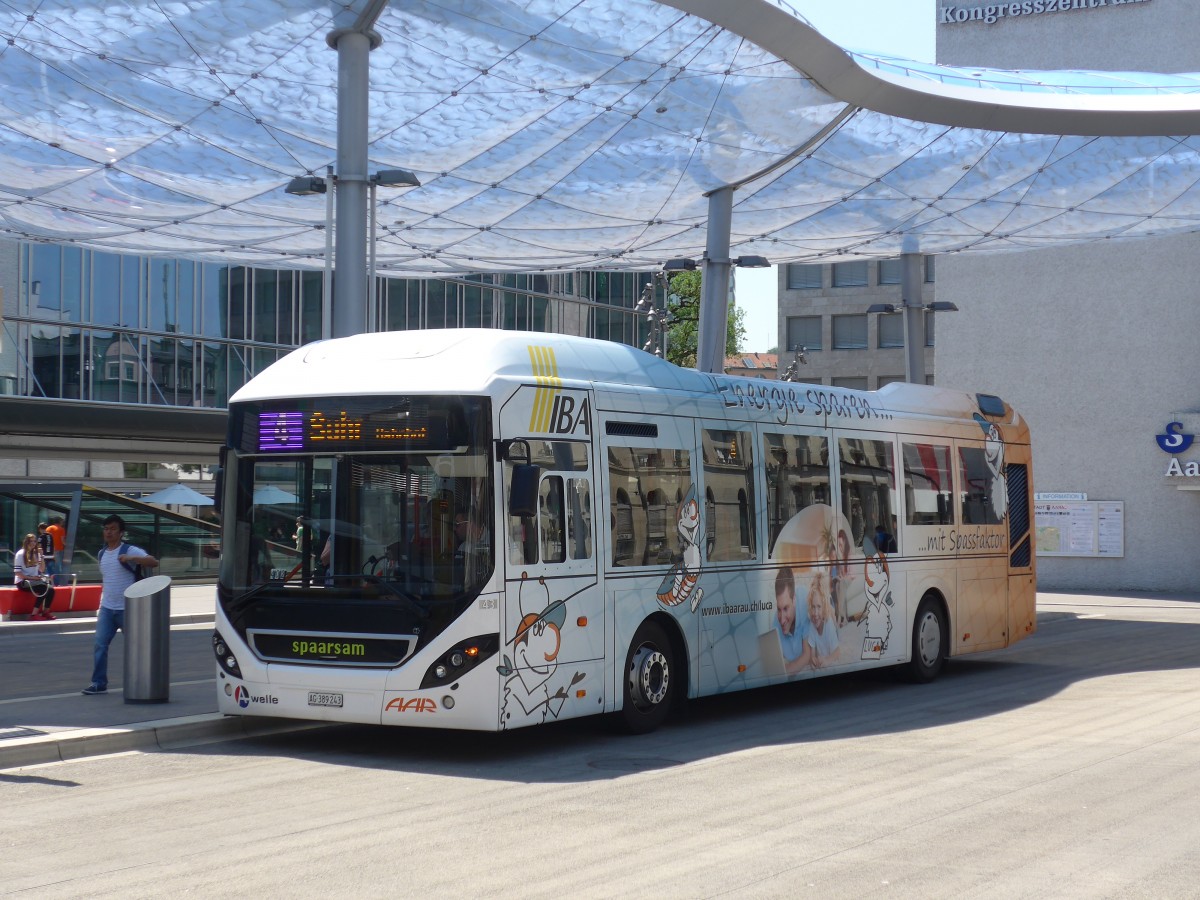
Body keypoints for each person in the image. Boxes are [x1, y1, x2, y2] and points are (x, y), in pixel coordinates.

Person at [83, 514, 159, 696]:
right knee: (100, 644)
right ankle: (99, 683)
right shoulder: (101, 553)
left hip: (128, 608)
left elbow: (153, 562)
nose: (108, 532)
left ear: (121, 532)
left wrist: (132, 558)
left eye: (113, 529)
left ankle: (144, 681)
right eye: (106, 528)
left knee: (136, 647)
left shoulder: (130, 549)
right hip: (107, 608)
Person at [773, 566, 815, 674]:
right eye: (779, 609)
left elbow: (807, 655)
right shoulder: (775, 621)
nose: (781, 620)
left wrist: (785, 671)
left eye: (786, 608)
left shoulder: (805, 603)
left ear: (794, 600)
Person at [14, 532, 56, 620]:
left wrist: (41, 556)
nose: (33, 543)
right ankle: (34, 614)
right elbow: (18, 573)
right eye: (30, 541)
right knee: (44, 589)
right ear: (26, 542)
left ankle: (45, 612)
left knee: (51, 590)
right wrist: (33, 578)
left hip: (34, 581)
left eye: (34, 541)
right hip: (23, 581)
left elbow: (41, 569)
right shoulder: (20, 554)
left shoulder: (35, 554)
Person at [45, 516, 66, 584]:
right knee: (58, 567)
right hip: (58, 550)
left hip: (49, 551)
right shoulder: (61, 529)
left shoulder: (48, 528)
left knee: (50, 566)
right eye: (62, 521)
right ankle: (58, 582)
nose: (63, 522)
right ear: (59, 521)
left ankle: (50, 581)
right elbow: (63, 541)